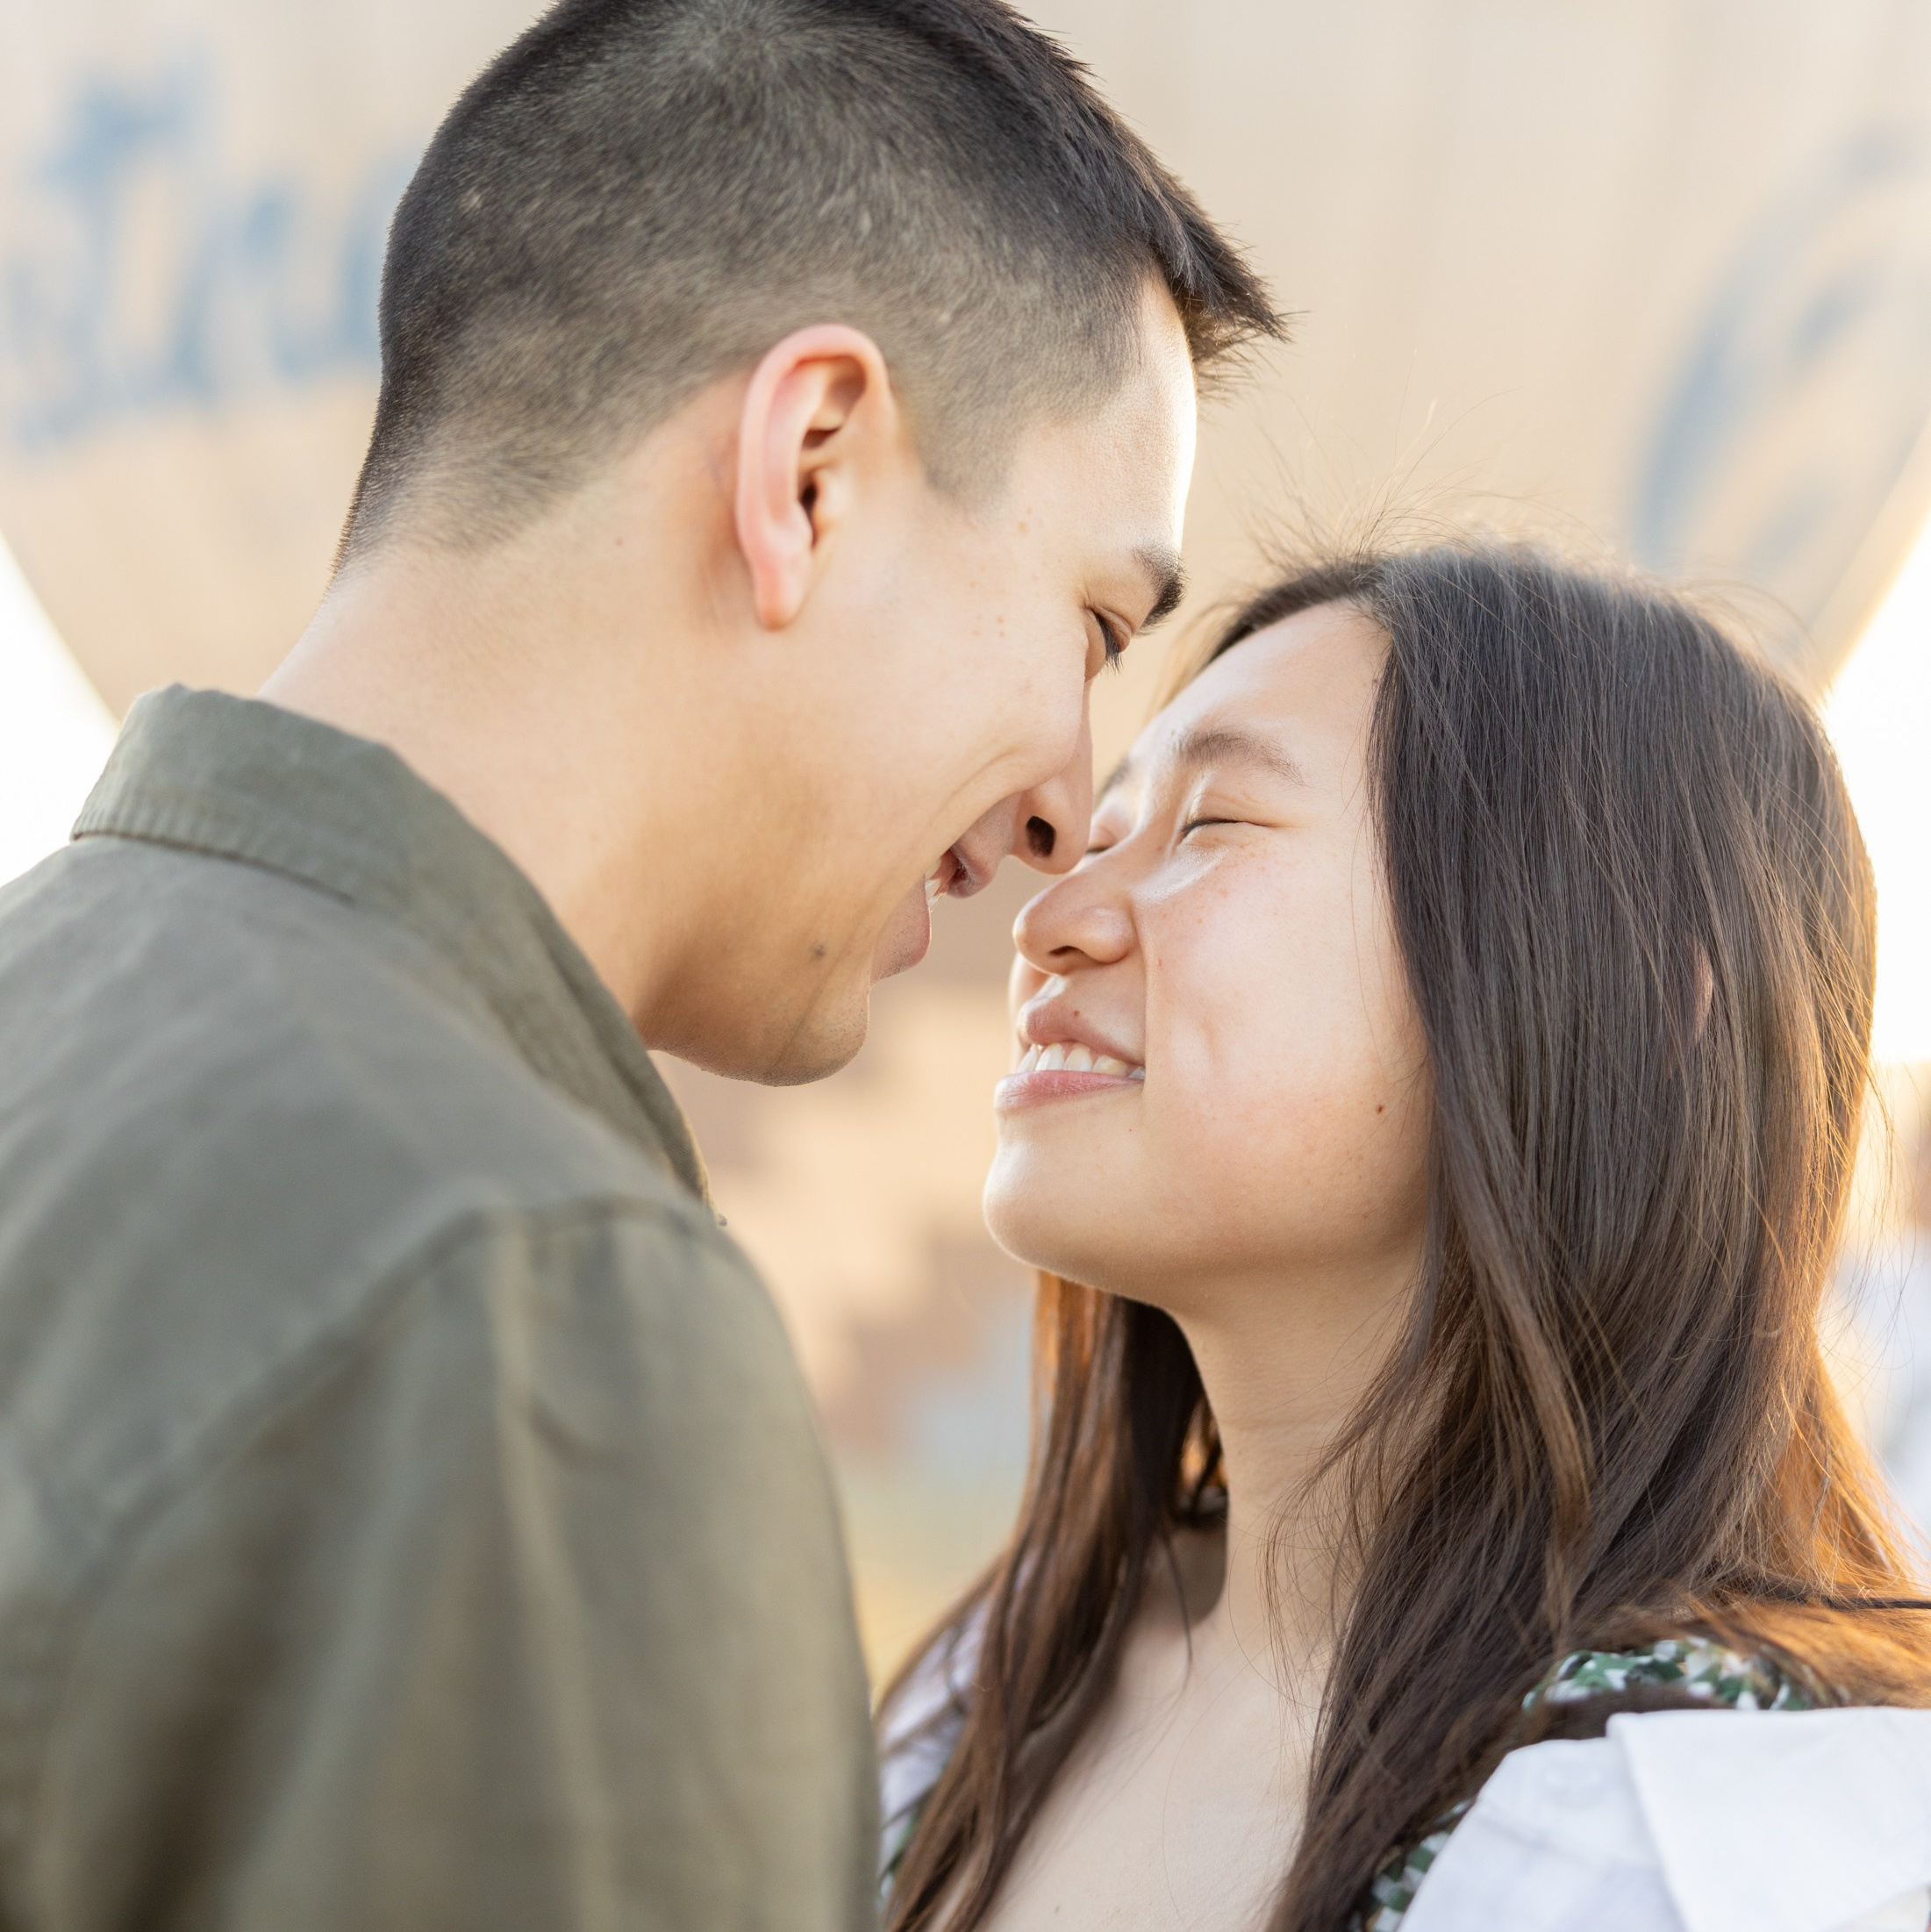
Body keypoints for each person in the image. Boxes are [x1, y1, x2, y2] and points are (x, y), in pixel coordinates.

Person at [0, 2, 1279, 1927]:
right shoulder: (532, 1316)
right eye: (1094, 625)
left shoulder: (60, 1026)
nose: (1061, 814)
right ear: (809, 468)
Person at [879, 545, 1931, 1932]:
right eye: (1101, 836)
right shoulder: (993, 1682)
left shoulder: (1726, 1841)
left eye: (1210, 826)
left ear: (1625, 983)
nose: (1052, 920)